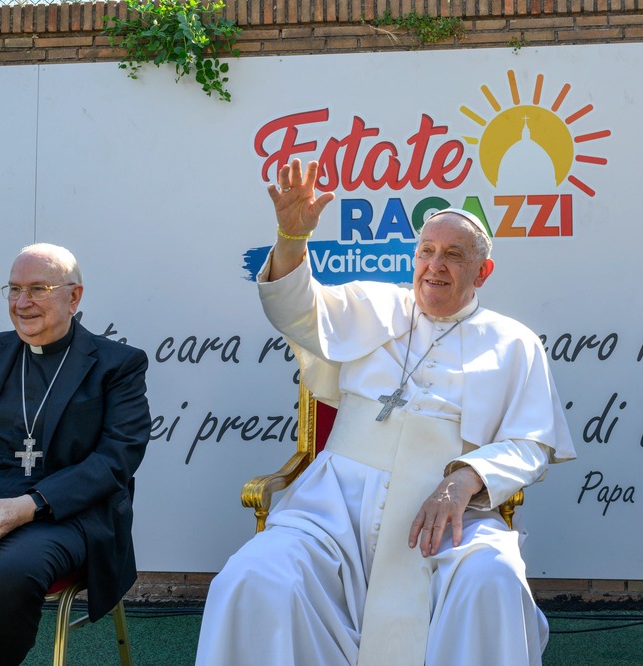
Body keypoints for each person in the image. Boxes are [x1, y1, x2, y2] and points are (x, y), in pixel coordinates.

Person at [197, 159, 576, 666]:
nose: (435, 265)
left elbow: (532, 443)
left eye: (453, 255)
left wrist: (465, 479)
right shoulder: (372, 304)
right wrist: (291, 237)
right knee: (254, 575)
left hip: (450, 515)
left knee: (493, 577)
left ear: (482, 271)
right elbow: (293, 309)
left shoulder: (514, 342)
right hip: (335, 509)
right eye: (427, 251)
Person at [0, 243, 152, 666]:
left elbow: (116, 459)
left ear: (74, 296)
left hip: (61, 513)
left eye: (38, 289)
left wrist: (28, 506)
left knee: (8, 579)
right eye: (14, 289)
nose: (22, 303)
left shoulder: (118, 365)